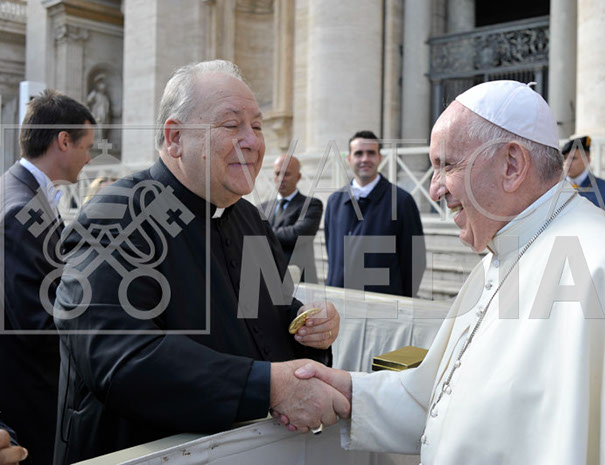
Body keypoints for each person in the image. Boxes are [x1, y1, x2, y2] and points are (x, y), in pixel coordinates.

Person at [286, 81, 605, 464]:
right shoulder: (500, 256)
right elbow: (439, 403)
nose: (434, 189)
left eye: (447, 165)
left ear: (511, 165)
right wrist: (347, 392)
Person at [53, 60, 347, 463]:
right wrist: (267, 387)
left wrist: (311, 328)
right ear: (175, 138)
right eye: (232, 125)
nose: (253, 141)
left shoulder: (250, 219)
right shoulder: (117, 214)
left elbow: (271, 316)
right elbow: (119, 356)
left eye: (257, 126)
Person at [0, 90, 95, 465]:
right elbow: (36, 323)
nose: (90, 158)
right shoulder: (21, 208)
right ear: (64, 141)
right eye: (87, 146)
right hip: (30, 394)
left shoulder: (20, 190)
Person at [324, 130, 426, 297]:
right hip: (338, 301)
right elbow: (332, 252)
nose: (365, 159)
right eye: (358, 153)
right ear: (349, 159)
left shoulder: (402, 201)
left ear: (379, 158)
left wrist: (402, 300)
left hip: (382, 304)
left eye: (371, 153)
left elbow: (415, 260)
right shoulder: (334, 202)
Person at [260, 155, 323, 283]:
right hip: (268, 280)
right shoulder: (262, 208)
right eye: (277, 173)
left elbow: (297, 234)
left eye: (286, 174)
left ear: (298, 177)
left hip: (299, 281)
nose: (281, 179)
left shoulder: (311, 205)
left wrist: (264, 232)